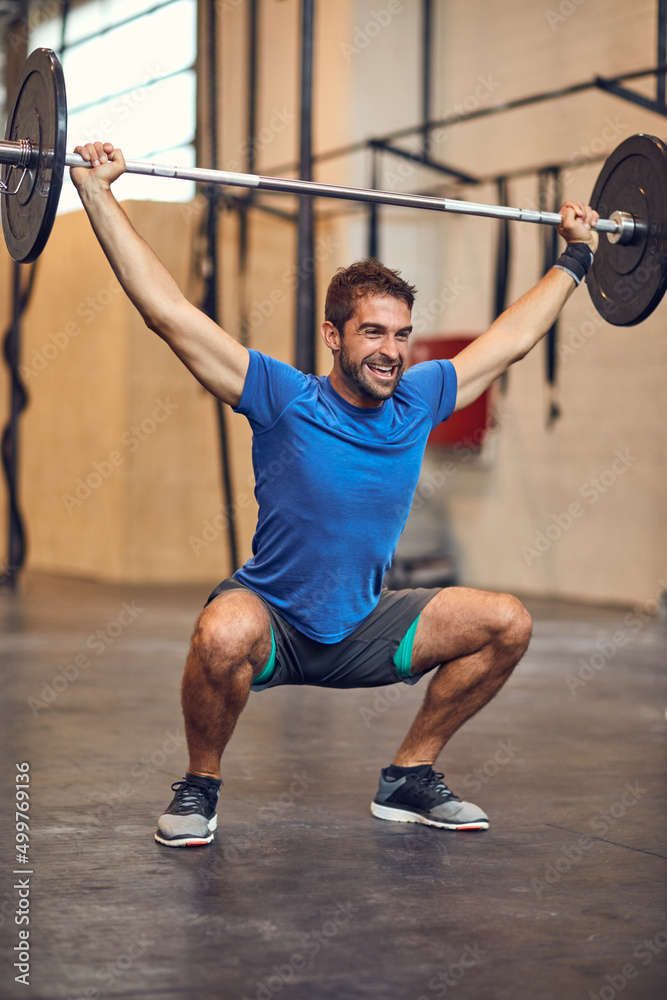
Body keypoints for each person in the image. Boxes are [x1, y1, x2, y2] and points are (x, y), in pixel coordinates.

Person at [71, 141, 599, 848]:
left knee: (505, 621)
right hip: (275, 621)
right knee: (222, 631)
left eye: (402, 335)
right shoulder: (283, 396)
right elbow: (168, 313)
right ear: (333, 334)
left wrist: (575, 259)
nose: (390, 349)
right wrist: (98, 194)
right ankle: (200, 785)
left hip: (364, 627)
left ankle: (408, 776)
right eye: (373, 331)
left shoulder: (418, 398)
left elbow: (507, 343)